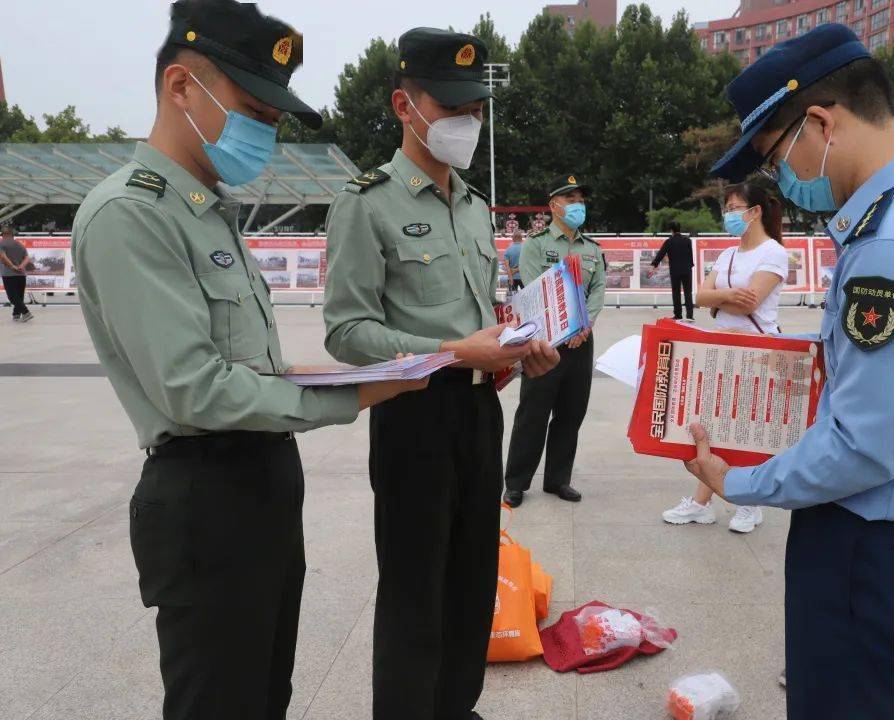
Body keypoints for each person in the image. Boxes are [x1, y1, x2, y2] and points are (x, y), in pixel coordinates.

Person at [70, 3, 426, 718]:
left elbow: (246, 369)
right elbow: (193, 390)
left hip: (260, 483)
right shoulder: (131, 215)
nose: (264, 132)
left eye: (273, 119)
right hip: (206, 499)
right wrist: (354, 397)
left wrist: (342, 375)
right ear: (180, 87)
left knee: (266, 696)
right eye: (252, 110)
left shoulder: (208, 212)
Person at [683, 24, 894, 720]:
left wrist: (737, 482)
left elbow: (866, 444)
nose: (785, 179)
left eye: (778, 152)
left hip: (872, 550)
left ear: (821, 122)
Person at [321, 28, 560, 720]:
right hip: (414, 416)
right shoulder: (367, 204)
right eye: (452, 107)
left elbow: (482, 316)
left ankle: (456, 707)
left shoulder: (477, 210)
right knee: (413, 593)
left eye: (475, 109)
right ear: (405, 106)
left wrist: (514, 355)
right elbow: (347, 332)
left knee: (470, 582)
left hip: (482, 412)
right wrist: (459, 353)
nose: (468, 123)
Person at [662, 183, 788, 533]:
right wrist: (725, 295)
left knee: (746, 432)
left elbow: (752, 302)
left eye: (735, 208)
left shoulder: (773, 252)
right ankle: (703, 503)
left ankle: (749, 503)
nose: (729, 215)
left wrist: (719, 297)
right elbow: (700, 296)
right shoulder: (728, 255)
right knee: (714, 428)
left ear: (755, 211)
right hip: (723, 350)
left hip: (758, 350)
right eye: (727, 209)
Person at [503, 174, 607, 508]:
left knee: (571, 413)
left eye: (581, 199)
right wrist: (567, 326)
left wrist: (585, 325)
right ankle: (516, 482)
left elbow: (598, 290)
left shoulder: (592, 249)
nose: (578, 205)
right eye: (571, 199)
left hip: (581, 342)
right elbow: (535, 290)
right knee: (533, 412)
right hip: (545, 342)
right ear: (553, 206)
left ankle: (558, 479)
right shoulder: (535, 244)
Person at [648, 220, 695, 321]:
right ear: (679, 229)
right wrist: (690, 265)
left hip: (675, 270)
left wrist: (654, 264)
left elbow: (661, 254)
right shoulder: (687, 240)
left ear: (671, 230)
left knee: (676, 292)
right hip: (687, 269)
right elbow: (690, 255)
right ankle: (690, 315)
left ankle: (678, 315)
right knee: (688, 292)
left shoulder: (669, 241)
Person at [0, 224, 33, 322]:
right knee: (19, 296)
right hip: (21, 274)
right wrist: (22, 266)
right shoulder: (20, 244)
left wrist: (12, 266)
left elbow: (3, 257)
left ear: (4, 235)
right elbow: (27, 258)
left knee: (12, 297)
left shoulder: (2, 244)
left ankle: (26, 313)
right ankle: (16, 314)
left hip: (9, 274)